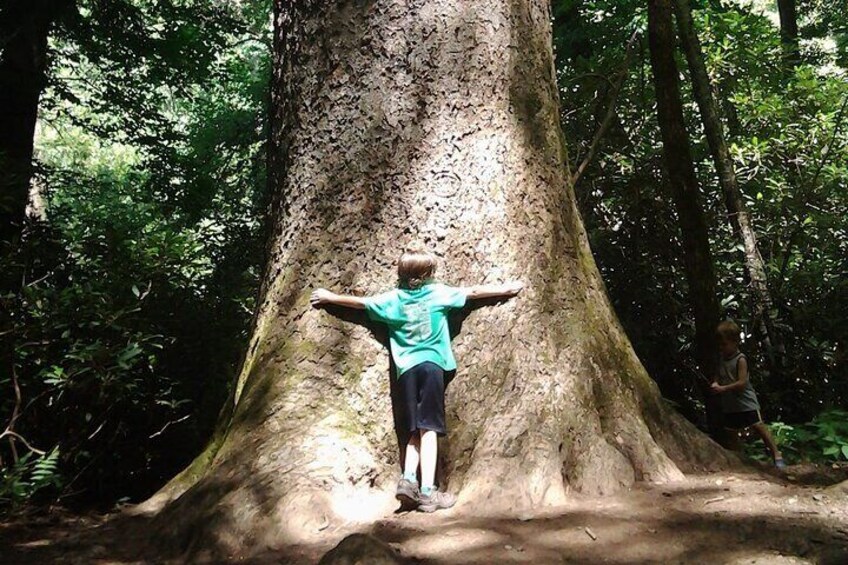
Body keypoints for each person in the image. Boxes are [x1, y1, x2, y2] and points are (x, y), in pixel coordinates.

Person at [310, 249, 522, 512]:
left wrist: (330, 297)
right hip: (432, 366)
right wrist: (506, 289)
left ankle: (408, 480)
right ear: (426, 274)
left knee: (413, 431)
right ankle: (427, 492)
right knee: (429, 429)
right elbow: (474, 293)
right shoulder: (439, 294)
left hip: (406, 371)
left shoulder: (392, 300)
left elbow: (362, 303)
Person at [710, 320, 785, 469]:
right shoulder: (721, 359)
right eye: (720, 345)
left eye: (724, 344)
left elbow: (742, 383)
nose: (722, 348)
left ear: (735, 342)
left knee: (759, 426)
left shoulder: (740, 359)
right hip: (730, 404)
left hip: (745, 401)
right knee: (731, 432)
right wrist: (715, 383)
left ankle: (777, 454)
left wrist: (723, 389)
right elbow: (718, 374)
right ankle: (739, 459)